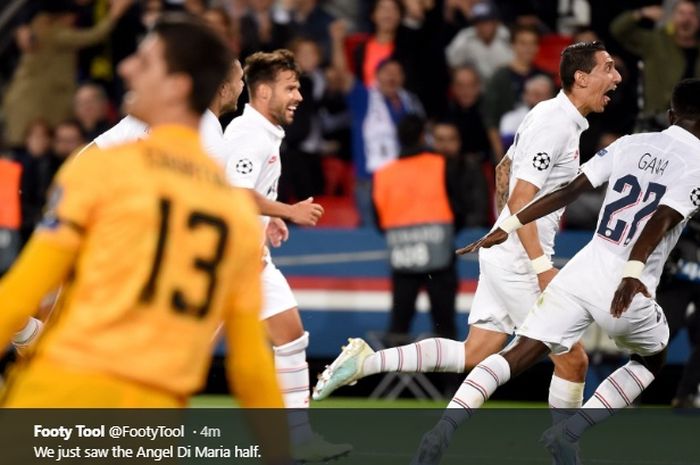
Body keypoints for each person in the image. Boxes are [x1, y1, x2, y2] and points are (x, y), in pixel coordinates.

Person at [0, 16, 290, 459]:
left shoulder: (104, 172)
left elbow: (18, 293)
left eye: (145, 61)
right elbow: (250, 366)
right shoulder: (231, 213)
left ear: (178, 85)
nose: (125, 69)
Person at [313, 42, 621, 433]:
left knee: (475, 352)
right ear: (581, 77)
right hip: (521, 259)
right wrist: (540, 266)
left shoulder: (548, 114)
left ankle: (366, 362)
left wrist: (500, 229)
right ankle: (565, 447)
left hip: (508, 251)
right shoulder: (556, 124)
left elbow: (502, 168)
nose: (617, 77)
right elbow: (522, 198)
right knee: (572, 357)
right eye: (608, 68)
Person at [437, 77, 700, 465]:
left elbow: (567, 191)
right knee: (651, 359)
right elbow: (661, 218)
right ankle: (569, 432)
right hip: (628, 286)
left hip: (581, 270)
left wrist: (505, 226)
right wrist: (631, 271)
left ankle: (443, 429)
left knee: (520, 351)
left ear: (670, 115)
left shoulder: (628, 143)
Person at [221, 49, 350, 462]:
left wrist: (268, 221)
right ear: (261, 92)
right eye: (290, 88)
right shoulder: (247, 133)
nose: (298, 96)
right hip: (222, 265)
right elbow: (235, 193)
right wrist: (288, 211)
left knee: (291, 338)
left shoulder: (264, 134)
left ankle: (300, 440)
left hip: (251, 261)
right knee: (176, 357)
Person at [372, 115, 463, 341]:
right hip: (440, 257)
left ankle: (394, 375)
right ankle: (451, 378)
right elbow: (459, 209)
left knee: (398, 326)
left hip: (402, 256)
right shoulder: (441, 164)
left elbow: (378, 219)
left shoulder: (383, 175)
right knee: (444, 328)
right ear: (424, 136)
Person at [611, 0, 700, 129]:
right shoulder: (656, 41)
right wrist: (642, 13)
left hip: (695, 122)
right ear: (672, 17)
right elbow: (618, 30)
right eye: (681, 13)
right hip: (655, 120)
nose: (686, 19)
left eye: (692, 14)